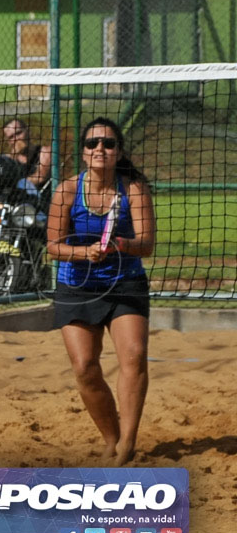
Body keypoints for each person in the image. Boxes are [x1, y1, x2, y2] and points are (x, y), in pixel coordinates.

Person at [46, 117, 155, 466]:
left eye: (108, 143)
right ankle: (111, 437)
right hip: (77, 285)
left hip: (125, 283)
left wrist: (120, 243)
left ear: (118, 150)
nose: (100, 149)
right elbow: (52, 246)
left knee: (134, 356)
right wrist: (85, 252)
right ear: (83, 152)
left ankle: (127, 444)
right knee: (85, 367)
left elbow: (147, 244)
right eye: (92, 143)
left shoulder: (133, 188)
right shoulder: (66, 190)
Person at [0, 118, 53, 256]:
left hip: (38, 205)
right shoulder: (8, 159)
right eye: (11, 137)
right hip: (13, 203)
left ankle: (42, 226)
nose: (16, 139)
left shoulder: (44, 152)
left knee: (24, 183)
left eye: (18, 133)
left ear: (27, 131)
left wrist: (12, 180)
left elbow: (40, 176)